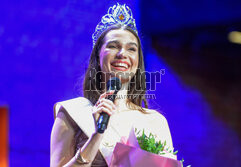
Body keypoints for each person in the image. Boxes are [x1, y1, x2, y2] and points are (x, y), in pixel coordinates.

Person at [50, 3, 175, 167]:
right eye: (113, 46)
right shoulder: (73, 113)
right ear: (98, 56)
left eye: (131, 49)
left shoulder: (156, 122)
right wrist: (97, 135)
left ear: (138, 61)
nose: (122, 54)